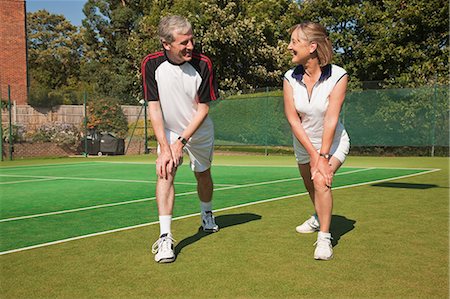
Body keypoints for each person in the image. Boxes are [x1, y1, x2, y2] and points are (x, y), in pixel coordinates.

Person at [141, 15, 219, 263]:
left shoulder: (203, 64)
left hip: (199, 129)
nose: (191, 46)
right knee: (165, 171)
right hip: (170, 131)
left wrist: (181, 142)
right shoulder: (151, 64)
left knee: (202, 174)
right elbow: (154, 108)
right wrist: (165, 147)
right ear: (166, 43)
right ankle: (165, 237)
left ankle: (206, 213)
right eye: (184, 42)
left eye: (192, 40)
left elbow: (203, 108)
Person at [283, 21, 350, 260]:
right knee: (311, 185)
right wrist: (312, 154)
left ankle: (324, 238)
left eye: (294, 42)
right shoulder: (290, 77)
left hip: (332, 143)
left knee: (321, 181)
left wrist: (322, 157)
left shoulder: (339, 76)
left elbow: (331, 119)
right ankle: (317, 215)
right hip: (303, 144)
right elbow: (293, 119)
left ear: (312, 46)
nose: (289, 46)